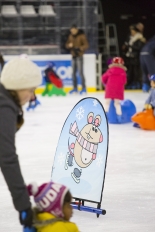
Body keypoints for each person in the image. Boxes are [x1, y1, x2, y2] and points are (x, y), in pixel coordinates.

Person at [0, 55, 42, 228]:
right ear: (17, 86)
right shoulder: (4, 106)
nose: (32, 96)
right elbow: (6, 156)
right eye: (30, 90)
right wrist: (24, 205)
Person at [101, 57, 127, 123]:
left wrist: (105, 83)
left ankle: (105, 116)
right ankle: (119, 117)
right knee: (117, 104)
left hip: (110, 88)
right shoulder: (123, 71)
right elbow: (124, 81)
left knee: (107, 103)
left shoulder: (110, 70)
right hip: (118, 89)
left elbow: (103, 78)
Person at [65, 25, 89, 94]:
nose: (72, 32)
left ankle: (84, 88)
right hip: (73, 56)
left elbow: (86, 45)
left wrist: (79, 48)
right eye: (71, 31)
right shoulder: (70, 36)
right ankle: (75, 88)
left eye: (73, 30)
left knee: (80, 72)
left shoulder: (81, 36)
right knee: (73, 73)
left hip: (79, 56)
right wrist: (69, 45)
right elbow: (66, 44)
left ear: (76, 29)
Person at [122, 24, 146, 89]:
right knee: (130, 71)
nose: (132, 33)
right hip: (130, 57)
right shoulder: (130, 38)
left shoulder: (140, 38)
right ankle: (131, 83)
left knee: (136, 72)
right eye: (131, 31)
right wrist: (126, 47)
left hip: (136, 58)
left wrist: (130, 46)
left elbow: (139, 47)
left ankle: (137, 83)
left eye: (133, 31)